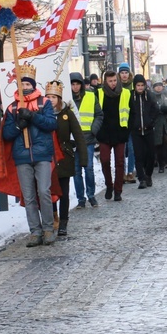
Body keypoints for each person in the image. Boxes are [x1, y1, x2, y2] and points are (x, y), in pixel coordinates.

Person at [1, 64, 58, 247]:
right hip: (22, 156)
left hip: (42, 154)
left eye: (27, 84)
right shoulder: (11, 108)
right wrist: (19, 125)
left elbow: (51, 124)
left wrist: (33, 117)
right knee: (29, 195)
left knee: (44, 191)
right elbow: (7, 134)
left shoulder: (44, 103)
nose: (24, 87)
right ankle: (35, 231)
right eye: (21, 84)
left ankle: (48, 228)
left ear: (32, 85)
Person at [45, 80, 87, 238]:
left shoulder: (66, 113)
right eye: (48, 96)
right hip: (47, 157)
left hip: (64, 156)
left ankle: (63, 222)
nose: (51, 100)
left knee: (63, 191)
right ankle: (53, 217)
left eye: (54, 97)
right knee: (49, 190)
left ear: (59, 98)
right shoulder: (42, 113)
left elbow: (78, 135)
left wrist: (83, 158)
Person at [96, 70, 131, 201]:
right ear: (105, 81)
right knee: (104, 161)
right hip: (104, 133)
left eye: (115, 80)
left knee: (120, 162)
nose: (113, 83)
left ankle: (118, 190)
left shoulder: (125, 92)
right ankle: (109, 185)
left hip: (120, 132)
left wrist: (127, 130)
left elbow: (131, 112)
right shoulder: (99, 93)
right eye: (110, 81)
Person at [70, 72, 102, 208]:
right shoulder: (66, 99)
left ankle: (91, 196)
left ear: (82, 85)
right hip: (72, 139)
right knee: (76, 170)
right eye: (73, 84)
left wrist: (93, 130)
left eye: (77, 84)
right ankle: (80, 199)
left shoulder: (90, 96)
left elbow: (99, 115)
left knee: (88, 168)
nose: (75, 87)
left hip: (88, 138)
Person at [129, 74, 158, 189]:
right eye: (138, 85)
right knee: (138, 155)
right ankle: (141, 179)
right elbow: (129, 112)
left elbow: (155, 110)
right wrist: (132, 125)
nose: (140, 88)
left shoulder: (149, 96)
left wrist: (150, 122)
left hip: (148, 130)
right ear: (134, 86)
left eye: (142, 85)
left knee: (151, 155)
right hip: (136, 131)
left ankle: (148, 175)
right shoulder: (131, 97)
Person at [151, 77, 167, 173]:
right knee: (158, 145)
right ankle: (161, 165)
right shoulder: (151, 96)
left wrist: (165, 107)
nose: (158, 88)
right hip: (156, 122)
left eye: (159, 85)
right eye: (156, 86)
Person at [117, 63, 137, 181]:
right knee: (121, 149)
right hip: (120, 122)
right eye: (122, 73)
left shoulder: (133, 87)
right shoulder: (116, 87)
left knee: (131, 148)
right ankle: (122, 173)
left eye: (126, 72)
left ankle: (130, 172)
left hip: (131, 122)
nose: (124, 75)